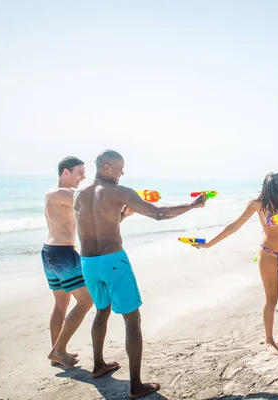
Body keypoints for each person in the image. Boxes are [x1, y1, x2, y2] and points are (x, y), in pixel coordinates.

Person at [75, 149, 207, 399]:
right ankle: (136, 386)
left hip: (87, 262)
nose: (122, 173)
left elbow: (95, 224)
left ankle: (98, 365)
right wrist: (192, 205)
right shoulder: (119, 192)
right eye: (119, 168)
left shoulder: (80, 193)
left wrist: (122, 215)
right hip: (113, 260)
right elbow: (158, 213)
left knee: (101, 310)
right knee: (132, 319)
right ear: (106, 168)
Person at [194, 173, 278, 354]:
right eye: (276, 192)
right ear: (268, 190)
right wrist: (209, 244)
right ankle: (269, 340)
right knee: (272, 298)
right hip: (268, 254)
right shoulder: (257, 204)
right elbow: (234, 226)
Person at [42, 156, 93, 367]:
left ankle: (57, 355)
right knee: (86, 301)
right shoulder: (61, 193)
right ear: (65, 172)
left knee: (61, 304)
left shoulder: (55, 194)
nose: (83, 176)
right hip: (63, 254)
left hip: (50, 252)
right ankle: (58, 350)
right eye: (79, 172)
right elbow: (89, 200)